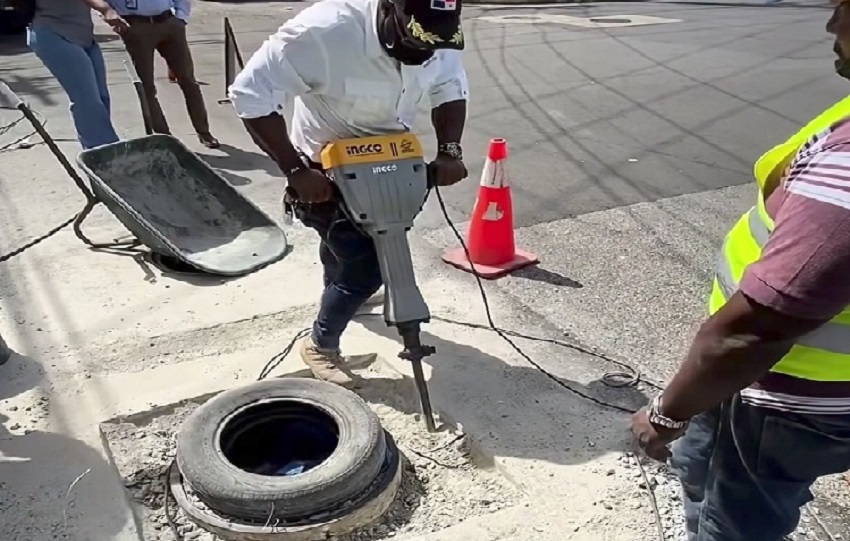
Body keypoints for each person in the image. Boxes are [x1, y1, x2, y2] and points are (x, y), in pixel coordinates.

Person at [631, 1, 850, 539]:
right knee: (709, 482)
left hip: (781, 401)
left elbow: (754, 331)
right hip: (783, 396)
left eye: (843, 7)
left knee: (733, 524)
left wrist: (666, 415)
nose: (830, 24)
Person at [228, 0, 469, 387]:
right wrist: (295, 170)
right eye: (416, 41)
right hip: (325, 175)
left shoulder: (436, 32)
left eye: (433, 45)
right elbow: (250, 94)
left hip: (388, 167)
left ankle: (342, 296)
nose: (424, 53)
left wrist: (450, 151)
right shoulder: (324, 31)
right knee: (366, 270)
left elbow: (449, 88)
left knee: (349, 253)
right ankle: (320, 346)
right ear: (392, 9)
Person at [106, 0, 219, 148]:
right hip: (136, 26)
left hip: (169, 23)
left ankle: (204, 131)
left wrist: (181, 17)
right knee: (147, 87)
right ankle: (165, 137)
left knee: (188, 80)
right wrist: (109, 14)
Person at [27, 0, 128, 149]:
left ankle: (100, 150)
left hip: (84, 37)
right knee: (87, 100)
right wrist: (105, 9)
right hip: (54, 35)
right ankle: (104, 153)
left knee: (101, 97)